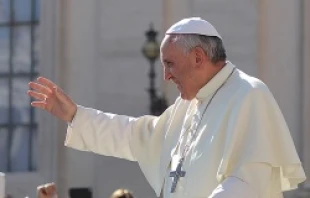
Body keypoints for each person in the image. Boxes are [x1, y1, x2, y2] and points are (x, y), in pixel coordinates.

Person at [28, 17, 306, 198]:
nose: (166, 76)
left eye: (170, 64)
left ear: (198, 57)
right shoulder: (186, 108)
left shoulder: (249, 95)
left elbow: (246, 184)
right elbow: (135, 135)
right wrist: (75, 115)